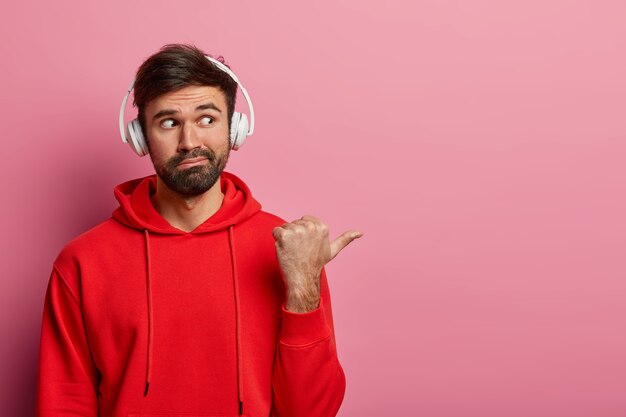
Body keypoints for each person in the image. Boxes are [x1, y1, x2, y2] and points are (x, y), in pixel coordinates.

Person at [36, 44, 362, 417]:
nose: (190, 142)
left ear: (235, 128)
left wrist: (303, 286)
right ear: (140, 137)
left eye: (206, 119)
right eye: (169, 122)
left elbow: (310, 412)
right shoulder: (82, 262)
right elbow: (63, 404)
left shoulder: (290, 250)